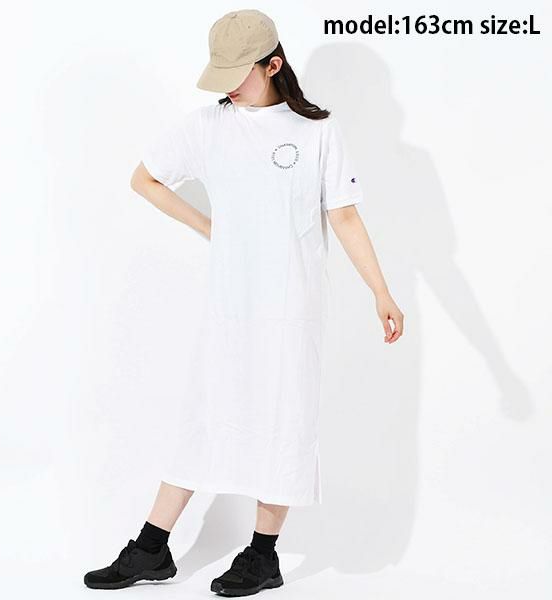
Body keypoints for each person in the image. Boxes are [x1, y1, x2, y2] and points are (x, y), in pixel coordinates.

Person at [83, 8, 404, 597]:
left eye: (239, 73)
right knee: (201, 417)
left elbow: (345, 216)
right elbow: (144, 179)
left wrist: (380, 291)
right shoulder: (208, 126)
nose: (227, 86)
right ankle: (152, 548)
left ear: (273, 65)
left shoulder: (316, 132)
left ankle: (262, 556)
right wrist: (209, 226)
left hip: (292, 309)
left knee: (285, 422)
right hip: (229, 308)